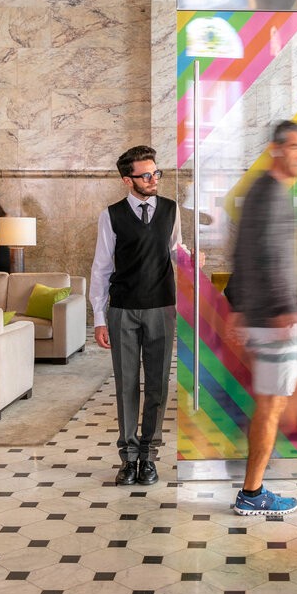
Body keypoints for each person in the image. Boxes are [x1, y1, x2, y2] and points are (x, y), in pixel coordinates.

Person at [228, 120, 297, 516]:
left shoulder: (266, 192)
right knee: (270, 406)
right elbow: (265, 255)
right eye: (296, 147)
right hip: (274, 321)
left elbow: (241, 250)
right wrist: (285, 311)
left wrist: (237, 307)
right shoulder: (269, 195)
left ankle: (259, 467)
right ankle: (252, 492)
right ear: (276, 149)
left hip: (267, 317)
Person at [90, 144, 182, 486]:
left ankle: (149, 456)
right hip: (123, 310)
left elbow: (175, 251)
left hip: (162, 308)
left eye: (156, 172)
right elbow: (100, 268)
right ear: (128, 180)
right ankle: (128, 459)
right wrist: (99, 317)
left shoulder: (171, 210)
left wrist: (191, 258)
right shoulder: (110, 215)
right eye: (146, 175)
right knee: (126, 385)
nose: (153, 179)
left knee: (157, 384)